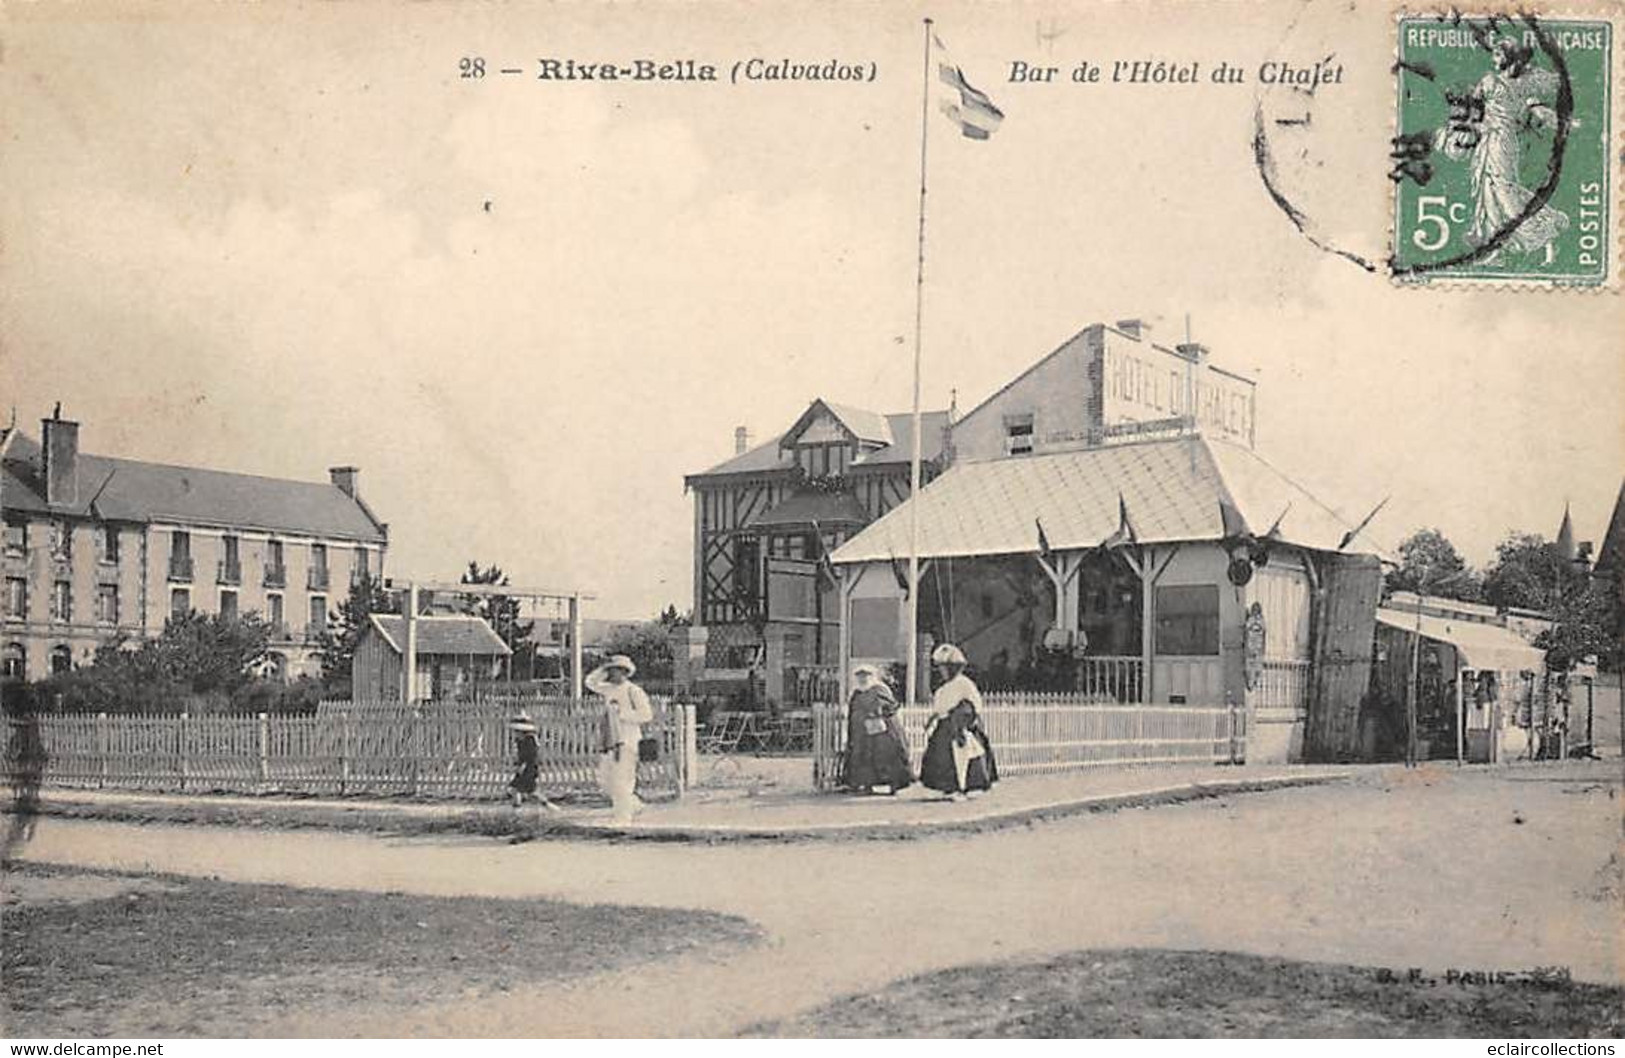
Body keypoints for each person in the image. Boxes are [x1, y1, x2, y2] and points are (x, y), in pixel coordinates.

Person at [920, 643, 997, 800]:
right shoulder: (944, 687)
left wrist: (963, 724)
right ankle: (947, 787)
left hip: (960, 725)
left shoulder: (964, 684)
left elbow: (972, 705)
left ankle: (965, 786)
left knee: (965, 756)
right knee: (941, 757)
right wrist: (931, 719)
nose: (942, 672)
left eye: (945, 668)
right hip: (944, 727)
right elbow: (940, 707)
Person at [586, 654, 653, 824]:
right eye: (610, 670)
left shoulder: (634, 691)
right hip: (610, 740)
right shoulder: (609, 689)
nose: (612, 674)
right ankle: (633, 804)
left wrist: (621, 715)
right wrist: (601, 669)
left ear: (624, 672)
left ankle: (623, 819)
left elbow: (646, 715)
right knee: (606, 781)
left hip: (628, 741)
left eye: (615, 670)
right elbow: (590, 683)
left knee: (622, 781)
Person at [840, 664, 912, 794]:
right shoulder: (856, 693)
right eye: (860, 677)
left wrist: (877, 713)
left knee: (887, 758)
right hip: (862, 735)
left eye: (866, 676)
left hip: (883, 734)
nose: (863, 679)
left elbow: (891, 708)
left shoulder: (880, 690)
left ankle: (894, 785)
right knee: (864, 758)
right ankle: (867, 785)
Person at [507, 711, 539, 809]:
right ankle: (551, 808)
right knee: (530, 793)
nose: (515, 734)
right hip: (525, 768)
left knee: (514, 789)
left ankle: (517, 809)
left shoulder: (529, 740)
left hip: (528, 768)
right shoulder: (520, 741)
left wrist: (523, 766)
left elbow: (531, 755)